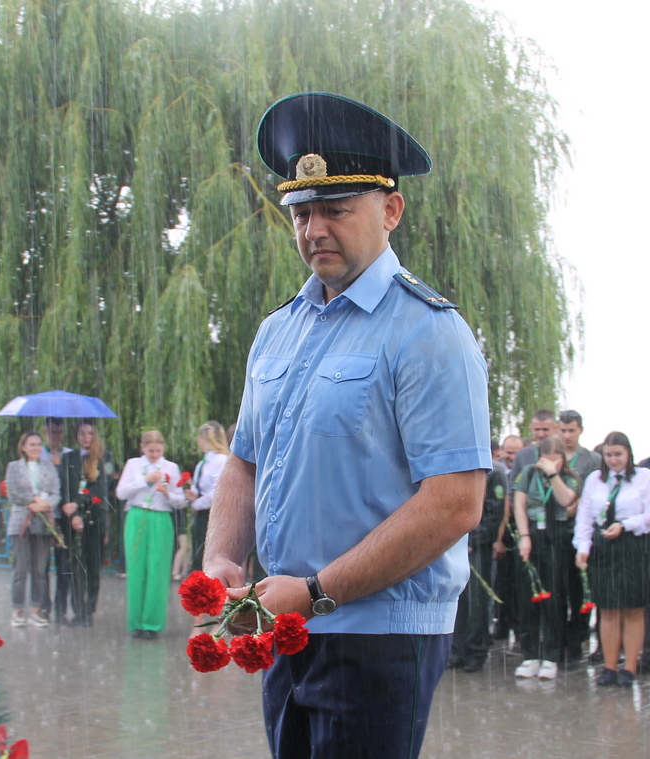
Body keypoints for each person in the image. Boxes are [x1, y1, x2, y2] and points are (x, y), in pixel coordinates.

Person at [204, 92, 490, 759]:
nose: (314, 230)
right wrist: (221, 558)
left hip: (379, 636)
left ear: (390, 210)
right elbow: (243, 461)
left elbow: (454, 502)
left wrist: (315, 591)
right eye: (301, 212)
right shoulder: (276, 331)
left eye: (336, 209)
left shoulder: (430, 332)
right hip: (285, 622)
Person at [574, 431, 650, 686]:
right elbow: (585, 515)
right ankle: (608, 667)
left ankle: (629, 668)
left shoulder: (643, 478)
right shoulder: (595, 479)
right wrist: (583, 546)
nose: (613, 460)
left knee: (632, 609)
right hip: (603, 548)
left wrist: (626, 525)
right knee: (607, 608)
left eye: (618, 455)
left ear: (628, 454)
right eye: (608, 455)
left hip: (633, 545)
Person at [512, 435, 579, 679]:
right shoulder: (528, 473)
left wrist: (553, 475)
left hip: (557, 536)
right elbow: (519, 505)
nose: (550, 463)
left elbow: (566, 499)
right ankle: (530, 654)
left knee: (554, 597)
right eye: (546, 460)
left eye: (556, 459)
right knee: (528, 595)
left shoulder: (569, 478)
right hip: (532, 532)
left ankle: (551, 655)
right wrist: (525, 536)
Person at [115, 429, 185, 639]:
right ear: (142, 448)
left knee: (158, 570)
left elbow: (181, 501)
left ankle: (152, 624)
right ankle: (136, 622)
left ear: (163, 448)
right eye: (150, 450)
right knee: (136, 569)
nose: (154, 454)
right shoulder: (133, 464)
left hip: (161, 517)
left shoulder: (171, 467)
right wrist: (144, 480)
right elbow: (120, 493)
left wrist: (168, 494)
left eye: (158, 450)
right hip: (137, 516)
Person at [450, 441, 507, 672]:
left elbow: (495, 511)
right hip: (455, 546)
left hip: (477, 548)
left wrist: (473, 541)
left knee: (477, 603)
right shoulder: (456, 468)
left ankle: (476, 651)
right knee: (458, 601)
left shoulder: (495, 472)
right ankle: (456, 651)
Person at [556, 410, 601, 667]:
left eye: (571, 430)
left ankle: (576, 643)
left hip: (580, 532)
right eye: (563, 430)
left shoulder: (592, 460)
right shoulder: (552, 456)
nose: (567, 435)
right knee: (559, 591)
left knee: (580, 590)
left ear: (580, 430)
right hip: (555, 533)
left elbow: (590, 495)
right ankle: (559, 643)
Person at [60, 420, 115, 626]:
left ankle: (89, 610)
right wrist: (69, 508)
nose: (86, 438)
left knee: (92, 566)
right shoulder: (69, 458)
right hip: (71, 519)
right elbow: (65, 485)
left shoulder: (104, 458)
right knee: (75, 566)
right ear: (76, 436)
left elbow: (101, 488)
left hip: (95, 518)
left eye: (90, 433)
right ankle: (77, 610)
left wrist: (78, 504)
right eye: (82, 433)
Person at [5, 431, 62, 628]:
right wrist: (33, 500)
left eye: (39, 444)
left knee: (40, 570)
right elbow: (12, 493)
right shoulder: (13, 467)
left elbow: (56, 493)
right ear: (23, 448)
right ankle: (17, 610)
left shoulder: (49, 467)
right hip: (21, 522)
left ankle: (36, 611)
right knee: (20, 570)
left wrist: (44, 505)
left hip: (43, 522)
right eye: (32, 445)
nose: (36, 448)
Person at [42, 417, 74, 624]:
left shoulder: (70, 455)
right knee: (42, 565)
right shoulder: (38, 453)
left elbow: (73, 483)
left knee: (64, 566)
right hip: (44, 515)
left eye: (59, 432)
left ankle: (61, 609)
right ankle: (44, 607)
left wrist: (61, 467)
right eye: (52, 432)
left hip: (65, 517)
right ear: (45, 431)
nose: (56, 436)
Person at [492, 433, 524, 640]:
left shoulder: (523, 470)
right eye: (508, 452)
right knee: (500, 584)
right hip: (499, 534)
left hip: (519, 533)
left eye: (516, 452)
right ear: (502, 451)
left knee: (517, 585)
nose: (511, 456)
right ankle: (501, 626)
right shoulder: (497, 471)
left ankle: (517, 627)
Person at [186, 421, 229, 574]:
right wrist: (193, 494)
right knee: (197, 556)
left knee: (205, 557)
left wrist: (196, 503)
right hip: (201, 515)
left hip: (210, 515)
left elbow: (216, 493)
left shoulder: (220, 461)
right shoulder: (203, 462)